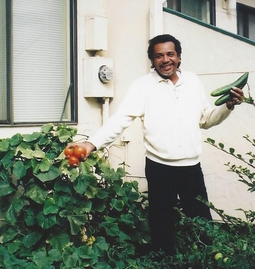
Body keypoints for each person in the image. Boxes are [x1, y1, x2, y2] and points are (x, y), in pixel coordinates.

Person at [68, 34, 244, 255]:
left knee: (201, 220)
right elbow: (121, 118)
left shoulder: (193, 82)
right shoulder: (143, 86)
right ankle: (165, 259)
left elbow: (206, 119)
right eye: (159, 55)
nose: (165, 59)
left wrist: (228, 105)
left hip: (191, 167)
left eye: (170, 54)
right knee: (161, 222)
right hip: (160, 167)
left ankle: (208, 257)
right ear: (152, 60)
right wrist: (92, 144)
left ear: (179, 57)